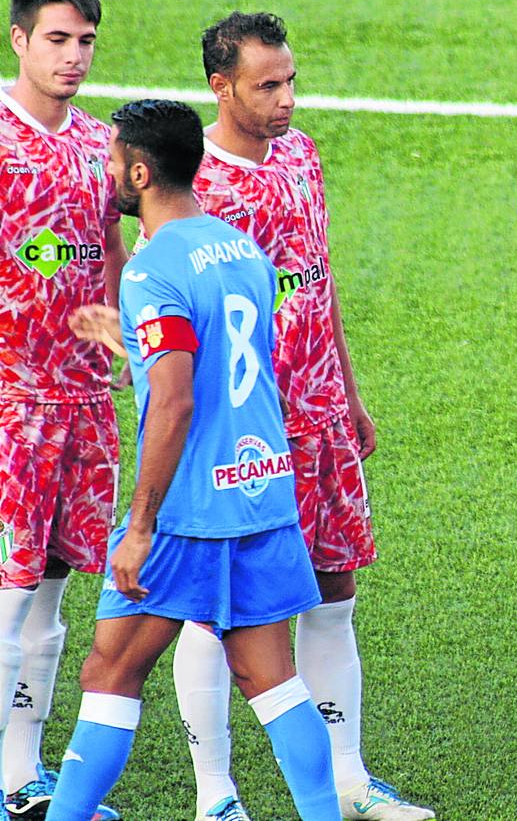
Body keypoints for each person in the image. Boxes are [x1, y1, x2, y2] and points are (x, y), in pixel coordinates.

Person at [161, 11, 430, 821]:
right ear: (221, 87)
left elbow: (318, 275)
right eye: (266, 85)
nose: (284, 99)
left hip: (318, 416)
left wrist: (347, 393)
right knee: (218, 612)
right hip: (242, 433)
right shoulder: (196, 187)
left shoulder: (302, 152)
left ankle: (348, 781)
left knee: (333, 589)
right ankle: (217, 797)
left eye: (290, 81)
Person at [52, 98, 339, 820]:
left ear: (141, 172)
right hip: (261, 490)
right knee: (272, 680)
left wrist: (141, 524)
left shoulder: (151, 271)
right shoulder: (240, 248)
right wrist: (132, 341)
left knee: (110, 670)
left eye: (113, 158)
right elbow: (223, 364)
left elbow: (177, 403)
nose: (106, 168)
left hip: (189, 510)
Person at [0, 0, 126, 821]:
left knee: (50, 582)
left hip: (81, 399)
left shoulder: (99, 144)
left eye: (84, 40)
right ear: (19, 40)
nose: (73, 56)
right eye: (57, 39)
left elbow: (110, 244)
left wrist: (116, 319)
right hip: (11, 400)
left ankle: (21, 771)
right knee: (8, 585)